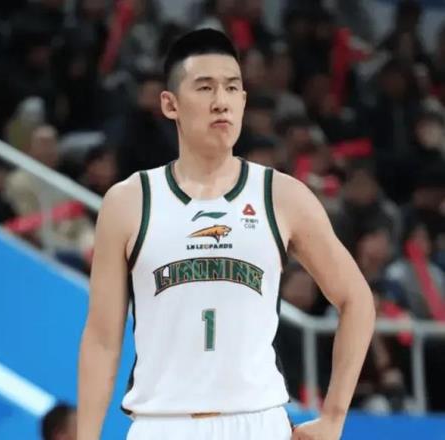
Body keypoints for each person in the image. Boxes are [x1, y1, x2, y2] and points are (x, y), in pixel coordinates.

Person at [77, 29, 375, 440]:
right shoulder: (129, 201)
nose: (222, 100)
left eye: (232, 88)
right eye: (205, 87)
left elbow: (357, 299)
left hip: (258, 422)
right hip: (161, 425)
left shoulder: (282, 196)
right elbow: (102, 338)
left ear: (244, 100)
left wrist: (335, 417)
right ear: (170, 104)